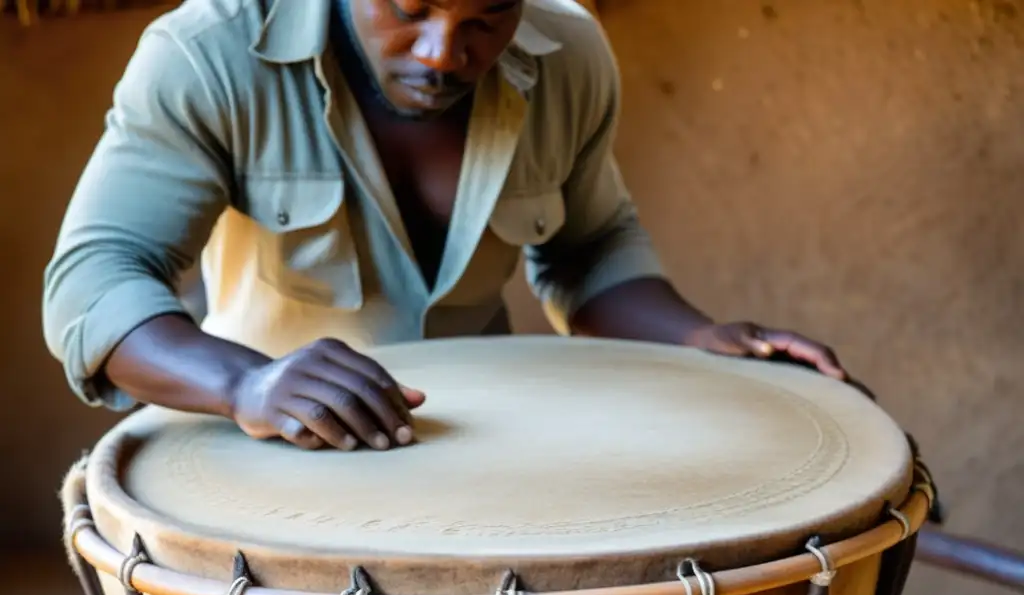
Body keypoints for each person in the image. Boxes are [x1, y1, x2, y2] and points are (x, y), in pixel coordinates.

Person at [43, 0, 849, 456]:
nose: (442, 54)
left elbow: (589, 253)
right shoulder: (208, 55)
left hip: (477, 451)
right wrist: (245, 384)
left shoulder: (568, 54)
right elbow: (95, 276)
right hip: (258, 449)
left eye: (486, 19)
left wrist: (699, 337)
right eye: (408, 8)